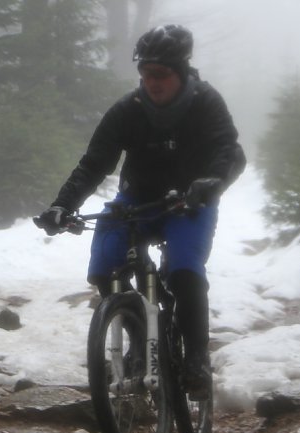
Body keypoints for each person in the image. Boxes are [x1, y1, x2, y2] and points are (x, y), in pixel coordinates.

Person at [36, 24, 245, 401]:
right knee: (104, 266)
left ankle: (197, 358)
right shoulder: (127, 110)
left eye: (160, 74)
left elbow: (229, 152)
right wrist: (62, 205)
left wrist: (212, 183)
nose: (152, 82)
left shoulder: (205, 103)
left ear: (180, 71)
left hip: (188, 203)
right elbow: (94, 164)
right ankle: (137, 333)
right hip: (136, 202)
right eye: (145, 73)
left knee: (184, 270)